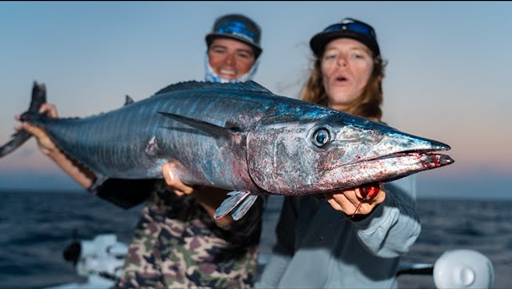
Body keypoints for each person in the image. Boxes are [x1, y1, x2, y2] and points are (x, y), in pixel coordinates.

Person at [17, 13, 265, 288]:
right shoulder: (170, 110)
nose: (228, 63)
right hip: (143, 274)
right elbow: (120, 191)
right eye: (220, 50)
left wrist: (196, 187)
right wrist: (52, 147)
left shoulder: (263, 124)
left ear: (254, 63)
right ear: (207, 54)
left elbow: (240, 224)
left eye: (242, 54)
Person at [256, 18, 421, 288]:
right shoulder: (298, 147)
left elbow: (402, 237)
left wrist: (371, 213)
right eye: (332, 55)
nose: (342, 61)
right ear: (320, 69)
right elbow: (286, 246)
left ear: (374, 72)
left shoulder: (388, 149)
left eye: (356, 55)